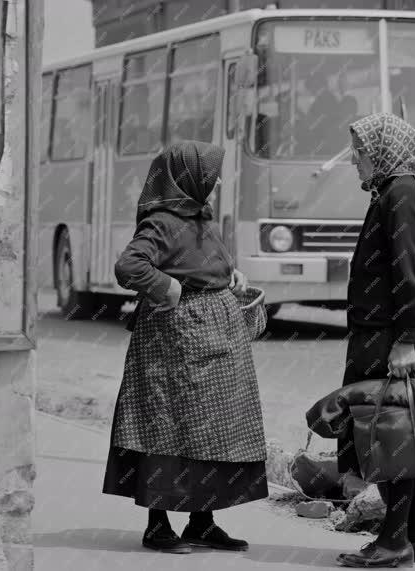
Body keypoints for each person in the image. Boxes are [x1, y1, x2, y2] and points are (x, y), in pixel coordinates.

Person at [102, 141, 268, 554]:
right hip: (172, 346)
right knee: (167, 427)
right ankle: (157, 525)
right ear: (187, 177)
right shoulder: (160, 221)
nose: (213, 182)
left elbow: (201, 263)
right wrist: (168, 287)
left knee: (211, 430)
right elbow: (130, 265)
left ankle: (202, 521)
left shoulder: (198, 216)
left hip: (212, 341)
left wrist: (232, 276)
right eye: (207, 174)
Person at [336, 113, 415, 568]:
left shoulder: (401, 192)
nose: (355, 162)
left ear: (383, 152)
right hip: (399, 330)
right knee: (409, 430)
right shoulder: (401, 188)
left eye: (360, 153)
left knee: (392, 433)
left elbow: (410, 272)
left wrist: (403, 340)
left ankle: (393, 542)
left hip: (394, 335)